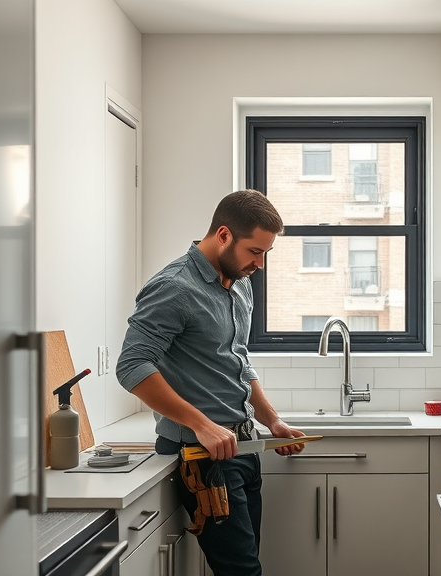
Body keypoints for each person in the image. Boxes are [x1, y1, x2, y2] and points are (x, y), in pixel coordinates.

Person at [116, 189, 304, 576]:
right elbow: (132, 365)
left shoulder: (238, 282)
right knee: (243, 573)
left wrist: (271, 420)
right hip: (202, 458)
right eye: (255, 251)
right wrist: (202, 424)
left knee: (247, 566)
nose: (261, 264)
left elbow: (235, 357)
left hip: (243, 446)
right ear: (223, 235)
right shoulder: (174, 287)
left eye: (266, 253)